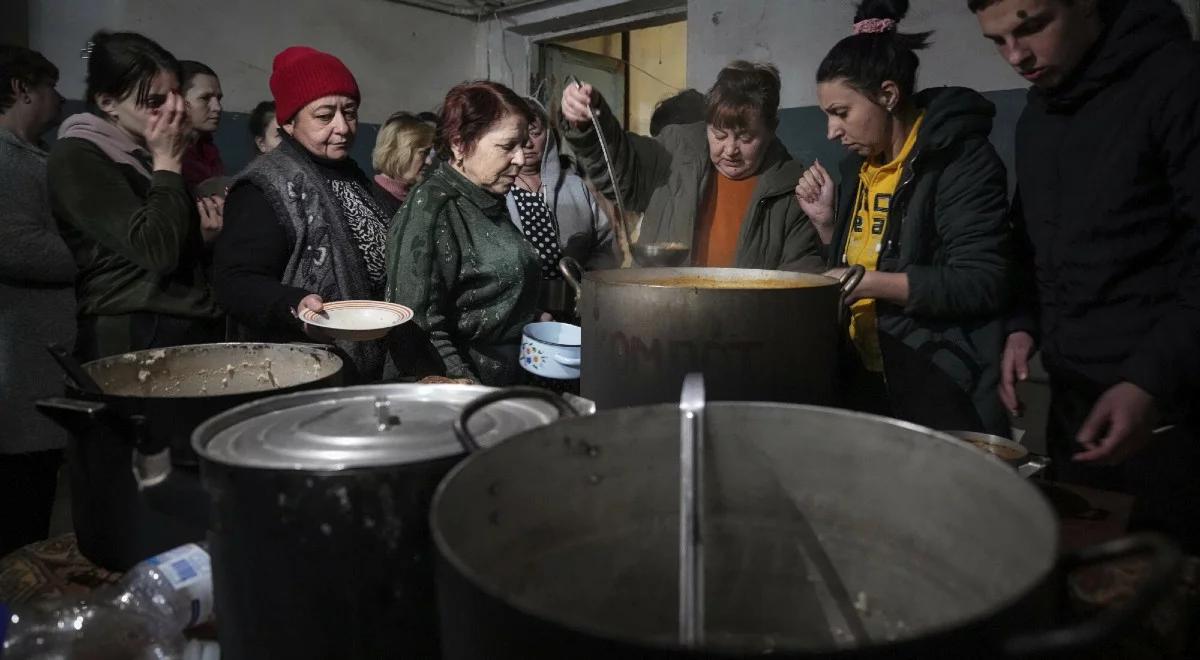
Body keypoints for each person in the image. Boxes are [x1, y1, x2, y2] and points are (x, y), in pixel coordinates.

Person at [972, 0, 1200, 549]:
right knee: (1084, 578)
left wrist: (1149, 379)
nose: (1016, 56)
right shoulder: (1039, 114)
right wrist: (1024, 324)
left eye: (1031, 28)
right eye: (997, 41)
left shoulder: (1178, 83)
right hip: (1077, 406)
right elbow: (1030, 239)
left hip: (1171, 411)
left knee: (1161, 590)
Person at [795, 0, 1011, 434]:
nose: (831, 132)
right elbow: (869, 254)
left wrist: (868, 284)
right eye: (827, 115)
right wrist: (827, 226)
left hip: (941, 384)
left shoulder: (957, 160)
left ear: (888, 95)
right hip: (870, 377)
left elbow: (983, 280)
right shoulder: (859, 167)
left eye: (841, 113)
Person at [213, 46, 393, 382]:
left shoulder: (352, 175)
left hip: (367, 366)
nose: (343, 127)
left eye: (350, 112)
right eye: (325, 116)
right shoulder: (264, 188)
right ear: (289, 123)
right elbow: (233, 281)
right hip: (303, 369)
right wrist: (294, 304)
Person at [47, 31, 221, 362]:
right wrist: (168, 163)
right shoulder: (79, 155)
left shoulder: (144, 152)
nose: (174, 112)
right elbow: (156, 252)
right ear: (107, 103)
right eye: (155, 102)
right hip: (133, 329)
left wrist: (201, 237)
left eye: (175, 97)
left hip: (182, 320)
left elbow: (165, 241)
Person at [561, 61, 820, 271]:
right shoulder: (674, 150)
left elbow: (798, 281)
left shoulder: (792, 188)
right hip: (659, 320)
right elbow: (619, 167)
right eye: (719, 135)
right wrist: (587, 124)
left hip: (743, 328)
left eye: (746, 138)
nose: (730, 150)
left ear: (771, 129)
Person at [385, 81, 539, 385]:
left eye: (523, 144)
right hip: (465, 393)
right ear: (459, 144)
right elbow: (419, 328)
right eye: (508, 146)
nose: (521, 159)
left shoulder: (484, 198)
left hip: (505, 380)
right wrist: (469, 394)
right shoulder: (433, 210)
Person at [0, 45, 70, 556]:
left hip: (34, 361)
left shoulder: (33, 156)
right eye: (50, 87)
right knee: (17, 513)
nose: (60, 98)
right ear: (22, 90)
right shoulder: (4, 159)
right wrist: (98, 250)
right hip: (14, 363)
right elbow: (16, 246)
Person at [507, 97, 613, 287]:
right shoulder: (499, 190)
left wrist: (588, 279)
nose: (528, 144)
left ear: (548, 136)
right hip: (519, 306)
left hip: (577, 299)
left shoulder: (575, 186)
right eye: (520, 135)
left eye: (535, 133)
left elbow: (605, 244)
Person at [369, 111, 433, 217]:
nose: (429, 161)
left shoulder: (417, 198)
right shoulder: (370, 200)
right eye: (424, 153)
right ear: (399, 152)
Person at [179, 60, 224, 189]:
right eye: (205, 98)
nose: (217, 107)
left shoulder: (209, 151)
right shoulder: (167, 154)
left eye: (219, 98)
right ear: (178, 100)